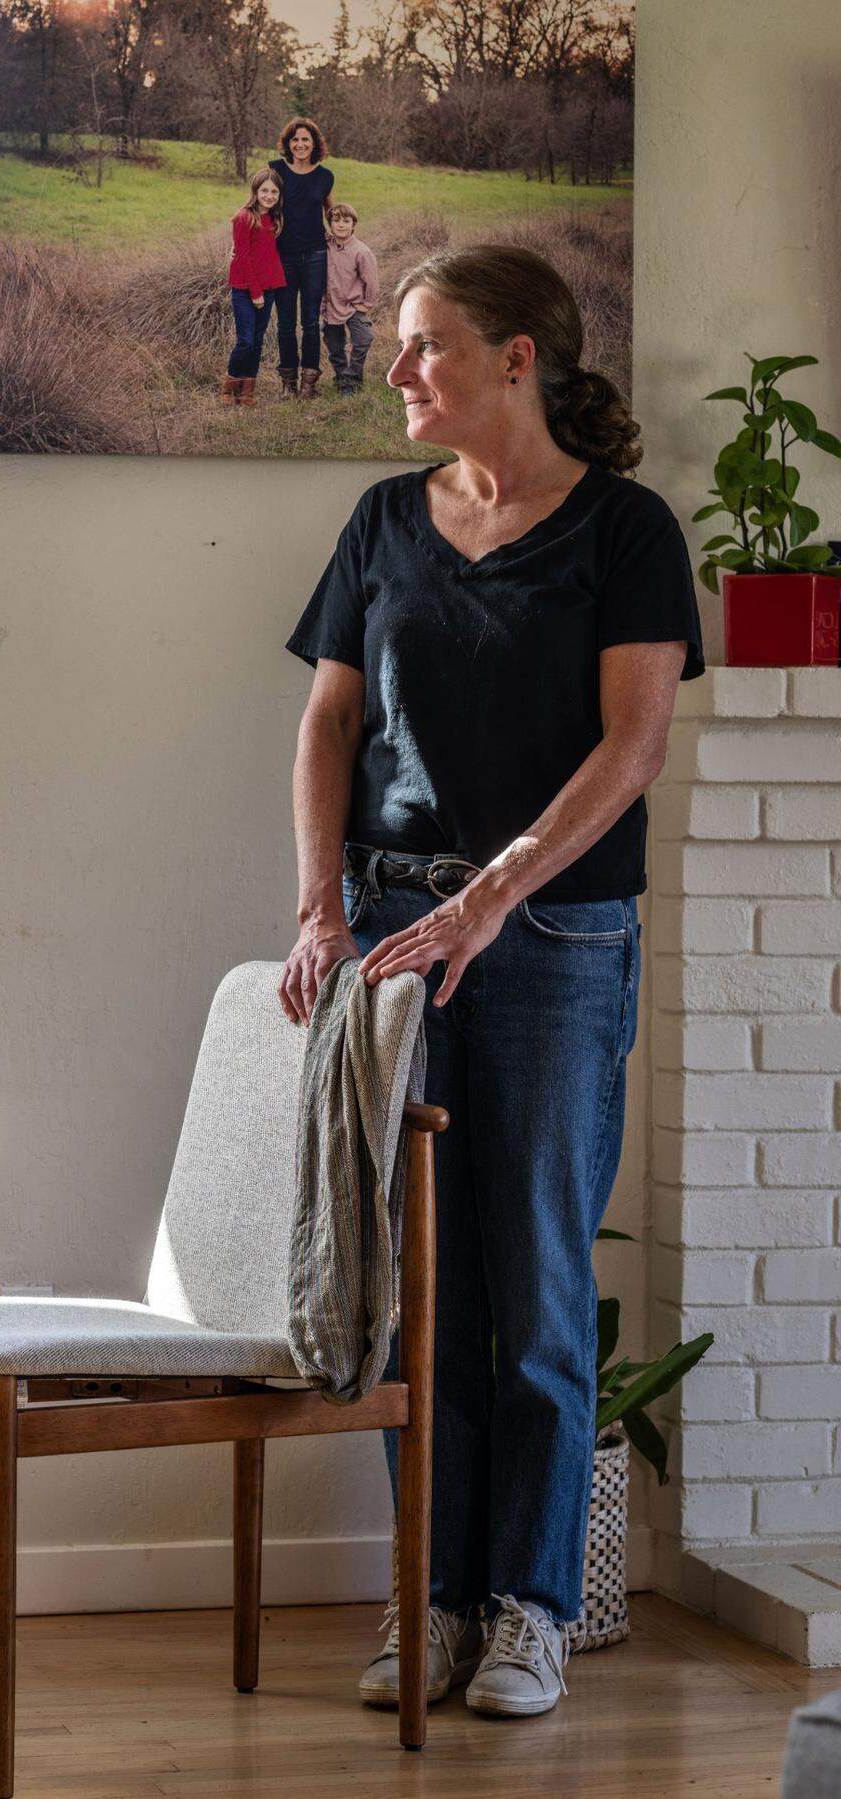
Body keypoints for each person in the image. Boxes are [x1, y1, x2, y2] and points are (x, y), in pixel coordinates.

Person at [279, 243, 705, 1721]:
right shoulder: (384, 520)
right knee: (412, 1291)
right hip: (394, 942)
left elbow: (631, 747)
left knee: (530, 1276)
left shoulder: (628, 532)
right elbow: (330, 724)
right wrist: (321, 905)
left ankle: (525, 1605)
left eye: (426, 346)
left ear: (519, 356)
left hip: (554, 938)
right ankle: (430, 1597)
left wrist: (490, 896)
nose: (397, 372)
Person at [268, 117, 334, 400]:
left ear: (314, 143)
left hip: (315, 255)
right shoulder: (276, 170)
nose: (300, 144)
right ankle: (288, 383)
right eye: (295, 139)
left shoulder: (325, 177)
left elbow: (331, 213)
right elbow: (260, 204)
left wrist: (346, 239)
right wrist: (243, 240)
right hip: (282, 255)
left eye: (305, 139)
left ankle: (309, 383)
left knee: (309, 320)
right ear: (288, 143)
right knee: (285, 322)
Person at [224, 168, 287, 407]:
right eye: (264, 190)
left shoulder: (275, 218)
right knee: (246, 341)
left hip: (268, 287)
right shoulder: (244, 217)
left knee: (258, 341)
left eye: (274, 191)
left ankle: (247, 390)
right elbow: (243, 257)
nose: (269, 196)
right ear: (255, 190)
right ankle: (229, 386)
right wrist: (255, 292)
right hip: (245, 288)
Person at [322, 202, 378, 396]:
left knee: (363, 339)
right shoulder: (326, 245)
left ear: (353, 224)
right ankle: (342, 378)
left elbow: (371, 281)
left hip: (354, 305)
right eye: (336, 220)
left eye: (346, 221)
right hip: (330, 305)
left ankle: (352, 376)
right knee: (334, 346)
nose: (341, 225)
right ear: (330, 224)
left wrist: (366, 304)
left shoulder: (361, 251)